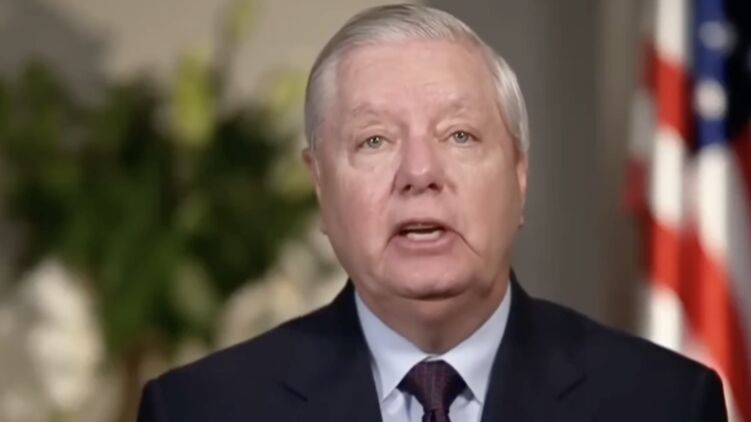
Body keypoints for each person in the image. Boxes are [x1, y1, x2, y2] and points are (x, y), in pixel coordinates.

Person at [137, 4, 727, 421]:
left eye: (460, 135)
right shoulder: (201, 409)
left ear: (519, 175)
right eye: (374, 140)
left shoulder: (663, 402)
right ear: (320, 185)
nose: (420, 172)